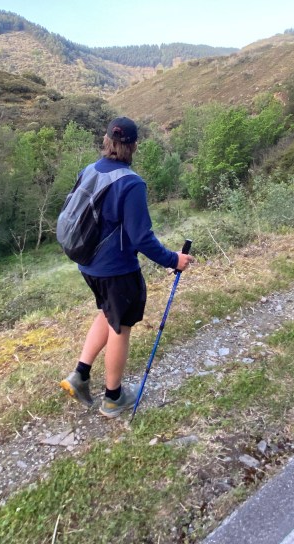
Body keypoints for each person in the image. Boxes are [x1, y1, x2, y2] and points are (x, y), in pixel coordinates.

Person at [59, 116, 194, 417]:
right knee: (120, 327)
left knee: (109, 313)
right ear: (133, 146)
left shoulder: (89, 170)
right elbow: (141, 238)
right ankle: (113, 398)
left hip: (88, 264)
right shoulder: (131, 183)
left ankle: (80, 375)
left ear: (106, 140)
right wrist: (174, 260)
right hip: (117, 270)